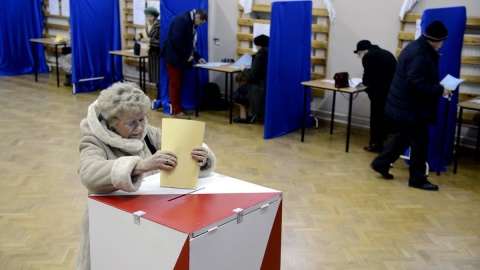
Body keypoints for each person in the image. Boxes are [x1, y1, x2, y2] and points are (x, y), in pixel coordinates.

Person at [75, 82, 217, 269]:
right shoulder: (93, 139)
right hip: (110, 223)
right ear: (111, 122)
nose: (140, 128)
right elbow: (88, 173)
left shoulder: (147, 133)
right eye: (131, 123)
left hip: (146, 218)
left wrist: (201, 158)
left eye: (142, 119)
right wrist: (140, 165)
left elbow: (179, 149)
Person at [370, 20, 452, 191]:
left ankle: (381, 163)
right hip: (412, 107)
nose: (443, 44)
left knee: (404, 137)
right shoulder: (421, 53)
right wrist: (439, 90)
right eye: (442, 40)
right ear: (434, 39)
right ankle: (417, 179)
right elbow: (414, 82)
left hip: (406, 104)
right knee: (420, 143)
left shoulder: (416, 47)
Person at [161, 9, 208, 119]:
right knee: (174, 84)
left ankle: (179, 108)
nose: (199, 25)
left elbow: (189, 43)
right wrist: (187, 55)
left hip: (178, 58)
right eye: (200, 23)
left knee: (178, 84)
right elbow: (177, 40)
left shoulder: (189, 21)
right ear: (197, 17)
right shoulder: (182, 20)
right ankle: (176, 112)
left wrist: (198, 57)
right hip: (173, 58)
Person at [354, 40, 397, 152]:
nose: (360, 57)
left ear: (362, 52)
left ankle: (376, 144)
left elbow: (367, 78)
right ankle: (386, 143)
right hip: (392, 92)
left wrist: (363, 84)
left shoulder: (369, 56)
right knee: (386, 118)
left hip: (380, 93)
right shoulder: (385, 53)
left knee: (377, 118)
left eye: (359, 55)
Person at [232, 34, 269, 124]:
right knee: (245, 89)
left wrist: (243, 69)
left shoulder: (260, 56)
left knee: (239, 92)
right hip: (264, 86)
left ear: (259, 45)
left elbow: (252, 76)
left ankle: (243, 117)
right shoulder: (270, 53)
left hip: (258, 88)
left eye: (256, 45)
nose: (256, 47)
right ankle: (250, 114)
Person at [136, 6, 161, 87]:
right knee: (156, 78)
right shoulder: (148, 26)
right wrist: (138, 36)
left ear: (155, 16)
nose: (149, 18)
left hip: (158, 55)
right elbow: (145, 34)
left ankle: (160, 96)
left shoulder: (159, 26)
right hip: (152, 55)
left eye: (151, 16)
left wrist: (149, 40)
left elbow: (162, 42)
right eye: (147, 16)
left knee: (159, 78)